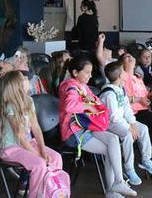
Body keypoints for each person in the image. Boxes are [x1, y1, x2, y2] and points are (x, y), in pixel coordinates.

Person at [58, 57, 137, 198]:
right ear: (75, 72)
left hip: (87, 127)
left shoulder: (82, 85)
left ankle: (117, 183)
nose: (90, 75)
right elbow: (69, 105)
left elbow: (95, 99)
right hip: (74, 132)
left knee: (113, 139)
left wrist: (93, 101)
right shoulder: (70, 86)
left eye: (91, 72)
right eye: (87, 72)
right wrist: (88, 106)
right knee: (111, 150)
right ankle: (113, 188)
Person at [0, 70, 68, 198]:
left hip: (29, 143)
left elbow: (35, 128)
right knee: (39, 164)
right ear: (17, 86)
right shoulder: (10, 107)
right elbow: (20, 136)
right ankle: (36, 195)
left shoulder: (29, 101)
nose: (27, 78)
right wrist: (37, 154)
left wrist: (42, 149)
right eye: (23, 78)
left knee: (56, 157)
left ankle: (53, 191)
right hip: (11, 148)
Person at [100, 61, 152, 184]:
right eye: (123, 71)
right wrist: (130, 128)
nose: (125, 73)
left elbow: (127, 109)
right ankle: (129, 168)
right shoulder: (109, 94)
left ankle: (146, 160)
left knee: (142, 128)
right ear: (120, 76)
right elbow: (114, 118)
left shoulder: (120, 89)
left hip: (123, 121)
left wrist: (133, 124)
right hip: (111, 124)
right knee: (128, 135)